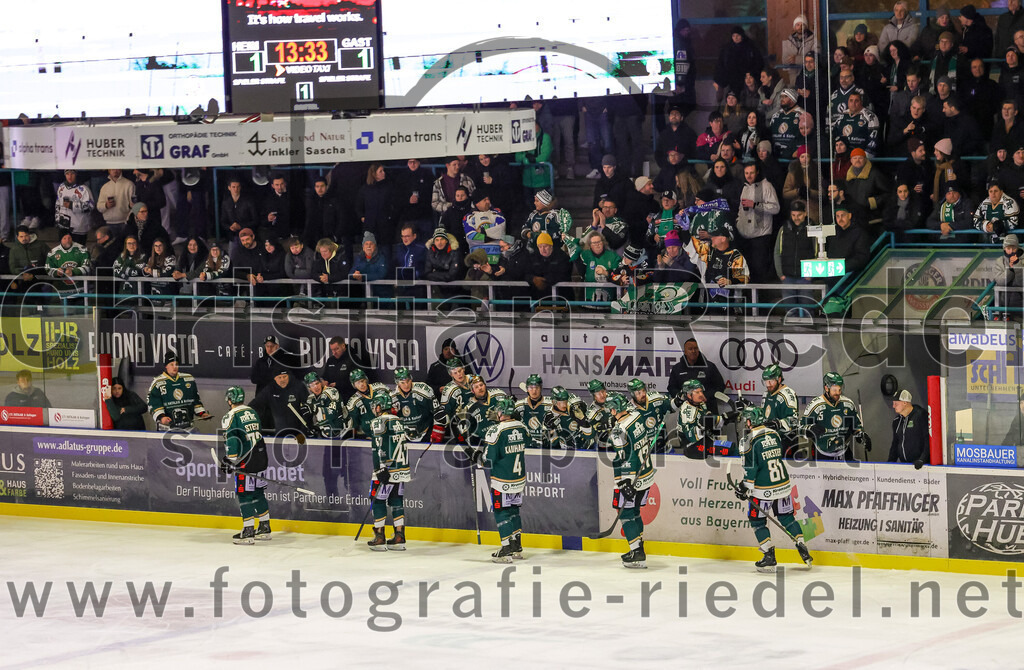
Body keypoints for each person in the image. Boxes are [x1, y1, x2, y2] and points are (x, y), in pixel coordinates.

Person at [732, 406, 813, 573]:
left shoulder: (747, 441)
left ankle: (769, 555)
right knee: (787, 518)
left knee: (757, 521)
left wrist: (744, 487)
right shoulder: (774, 434)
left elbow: (751, 469)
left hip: (764, 489)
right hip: (783, 484)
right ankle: (802, 545)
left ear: (749, 421)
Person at [468, 396, 528, 563]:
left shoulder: (495, 430)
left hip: (502, 480)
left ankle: (506, 548)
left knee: (501, 512)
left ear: (502, 412)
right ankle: (517, 546)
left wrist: (473, 455)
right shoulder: (521, 427)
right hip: (518, 479)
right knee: (514, 511)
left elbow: (488, 459)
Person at [606, 392, 656, 569]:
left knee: (625, 514)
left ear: (613, 409)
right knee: (635, 512)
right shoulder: (637, 416)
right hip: (646, 474)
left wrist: (625, 482)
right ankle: (638, 545)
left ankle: (636, 552)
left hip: (632, 477)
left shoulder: (619, 430)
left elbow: (625, 457)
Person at [219, 385, 272, 544]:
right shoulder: (252, 411)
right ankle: (264, 528)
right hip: (261, 457)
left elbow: (233, 441)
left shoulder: (230, 416)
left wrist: (230, 460)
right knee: (258, 492)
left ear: (229, 400)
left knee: (244, 493)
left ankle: (248, 531)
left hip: (246, 461)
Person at [366, 389, 411, 551]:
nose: (374, 408)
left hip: (386, 469)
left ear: (380, 406)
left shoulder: (378, 422)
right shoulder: (399, 420)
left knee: (377, 500)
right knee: (396, 500)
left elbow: (377, 447)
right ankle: (399, 535)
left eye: (376, 405)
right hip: (402, 468)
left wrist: (379, 468)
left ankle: (379, 536)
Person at [801, 372, 870, 461]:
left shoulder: (848, 404)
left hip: (843, 452)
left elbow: (856, 426)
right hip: (822, 453)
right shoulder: (815, 405)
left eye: (839, 389)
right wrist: (809, 429)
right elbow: (800, 427)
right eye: (834, 390)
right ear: (826, 388)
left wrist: (860, 434)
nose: (837, 393)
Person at [147, 352, 212, 431]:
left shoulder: (189, 379)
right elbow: (153, 403)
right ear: (166, 366)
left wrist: (202, 413)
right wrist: (161, 417)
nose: (175, 367)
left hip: (187, 426)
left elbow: (195, 399)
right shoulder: (157, 382)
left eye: (176, 364)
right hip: (167, 428)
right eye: (171, 364)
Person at [675, 379, 736, 459]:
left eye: (701, 391)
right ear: (689, 395)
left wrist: (724, 418)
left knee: (732, 447)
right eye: (697, 392)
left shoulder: (701, 404)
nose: (701, 394)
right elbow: (691, 436)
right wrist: (705, 424)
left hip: (704, 440)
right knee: (731, 449)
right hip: (692, 446)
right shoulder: (688, 411)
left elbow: (708, 420)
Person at [666, 338, 727, 412]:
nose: (693, 351)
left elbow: (720, 386)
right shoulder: (677, 368)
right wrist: (682, 397)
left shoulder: (710, 367)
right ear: (685, 352)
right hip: (686, 411)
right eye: (690, 349)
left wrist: (704, 396)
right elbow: (671, 387)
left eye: (695, 348)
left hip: (708, 410)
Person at [250, 367, 313, 437]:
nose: (282, 380)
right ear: (275, 378)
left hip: (299, 432)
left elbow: (308, 409)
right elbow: (255, 404)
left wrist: (304, 430)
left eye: (284, 377)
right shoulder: (270, 389)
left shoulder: (299, 387)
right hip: (279, 432)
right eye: (279, 377)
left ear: (289, 376)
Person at [759, 364, 801, 457]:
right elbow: (763, 415)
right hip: (769, 440)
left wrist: (779, 423)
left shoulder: (788, 394)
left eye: (771, 381)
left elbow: (794, 421)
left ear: (779, 379)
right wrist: (749, 407)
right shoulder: (766, 394)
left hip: (786, 441)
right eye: (766, 382)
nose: (768, 385)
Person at [393, 367, 445, 442]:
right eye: (402, 382)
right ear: (397, 382)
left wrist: (438, 428)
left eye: (408, 381)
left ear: (411, 379)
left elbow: (437, 410)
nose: (406, 385)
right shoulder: (393, 397)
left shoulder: (424, 390)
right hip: (405, 435)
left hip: (426, 432)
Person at [713, 26, 764, 102]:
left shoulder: (750, 46)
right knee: (732, 99)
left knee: (746, 99)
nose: (736, 38)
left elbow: (758, 62)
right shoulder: (727, 48)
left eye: (738, 36)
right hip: (731, 79)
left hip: (747, 78)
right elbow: (720, 65)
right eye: (733, 36)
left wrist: (752, 74)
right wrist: (718, 80)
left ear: (742, 36)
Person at [461, 374, 511, 445]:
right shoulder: (469, 409)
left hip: (506, 440)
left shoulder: (499, 394)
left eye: (481, 385)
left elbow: (515, 416)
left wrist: (499, 417)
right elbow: (463, 437)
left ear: (485, 385)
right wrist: (461, 421)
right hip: (484, 444)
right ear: (472, 391)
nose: (480, 388)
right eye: (476, 387)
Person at [887, 389, 929, 467]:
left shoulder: (921, 415)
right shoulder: (897, 421)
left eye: (896, 403)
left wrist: (922, 459)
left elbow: (928, 439)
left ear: (905, 402)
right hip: (905, 466)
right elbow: (895, 444)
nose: (893, 406)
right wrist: (889, 463)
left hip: (922, 466)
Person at [544, 386, 593, 450]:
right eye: (561, 402)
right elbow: (552, 443)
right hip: (566, 450)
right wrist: (551, 431)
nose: (564, 405)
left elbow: (589, 433)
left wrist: (582, 419)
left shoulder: (574, 409)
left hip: (584, 445)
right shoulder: (549, 417)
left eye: (565, 401)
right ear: (554, 402)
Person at [55, 168, 94, 245]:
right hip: (64, 227)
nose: (70, 176)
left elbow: (91, 206)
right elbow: (58, 204)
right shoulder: (61, 187)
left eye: (72, 173)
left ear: (76, 174)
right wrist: (57, 219)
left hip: (78, 228)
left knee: (78, 252)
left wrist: (72, 205)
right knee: (64, 251)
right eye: (67, 174)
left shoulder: (83, 189)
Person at [303, 177, 343, 249]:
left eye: (322, 186)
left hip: (329, 237)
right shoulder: (310, 201)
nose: (320, 189)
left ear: (326, 186)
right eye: (317, 186)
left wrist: (336, 235)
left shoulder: (334, 200)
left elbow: (340, 219)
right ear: (314, 188)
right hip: (313, 237)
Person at [8, 225, 49, 291]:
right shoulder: (14, 249)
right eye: (21, 236)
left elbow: (50, 260)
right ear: (17, 237)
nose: (24, 238)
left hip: (41, 278)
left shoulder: (41, 245)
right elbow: (13, 268)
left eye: (26, 235)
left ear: (29, 235)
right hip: (24, 280)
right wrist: (24, 272)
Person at [996, 234, 1024, 313]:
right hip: (1004, 305)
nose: (1011, 251)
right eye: (1008, 248)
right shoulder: (999, 261)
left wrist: (1018, 266)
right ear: (1004, 248)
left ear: (1017, 248)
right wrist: (1010, 270)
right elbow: (1000, 281)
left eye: (1013, 248)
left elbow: (1021, 282)